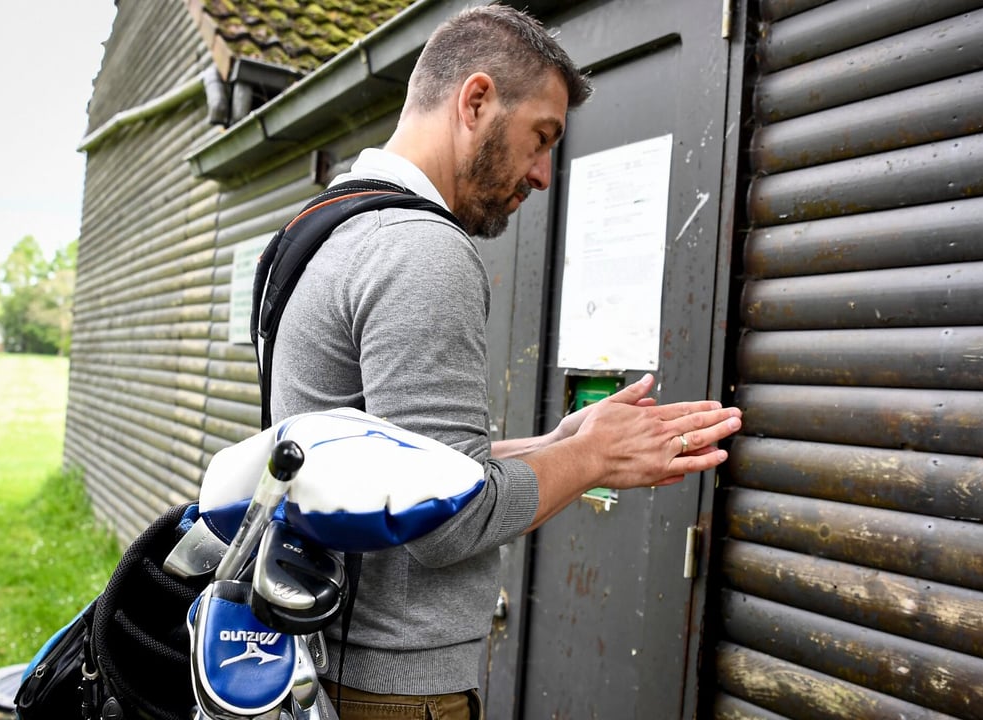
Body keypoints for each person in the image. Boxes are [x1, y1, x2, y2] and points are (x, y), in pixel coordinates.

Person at [268, 6, 742, 719]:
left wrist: (560, 444)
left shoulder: (319, 229)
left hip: (329, 661)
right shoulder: (420, 251)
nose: (545, 175)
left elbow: (391, 458)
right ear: (476, 100)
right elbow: (442, 520)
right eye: (541, 139)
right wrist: (594, 463)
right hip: (391, 690)